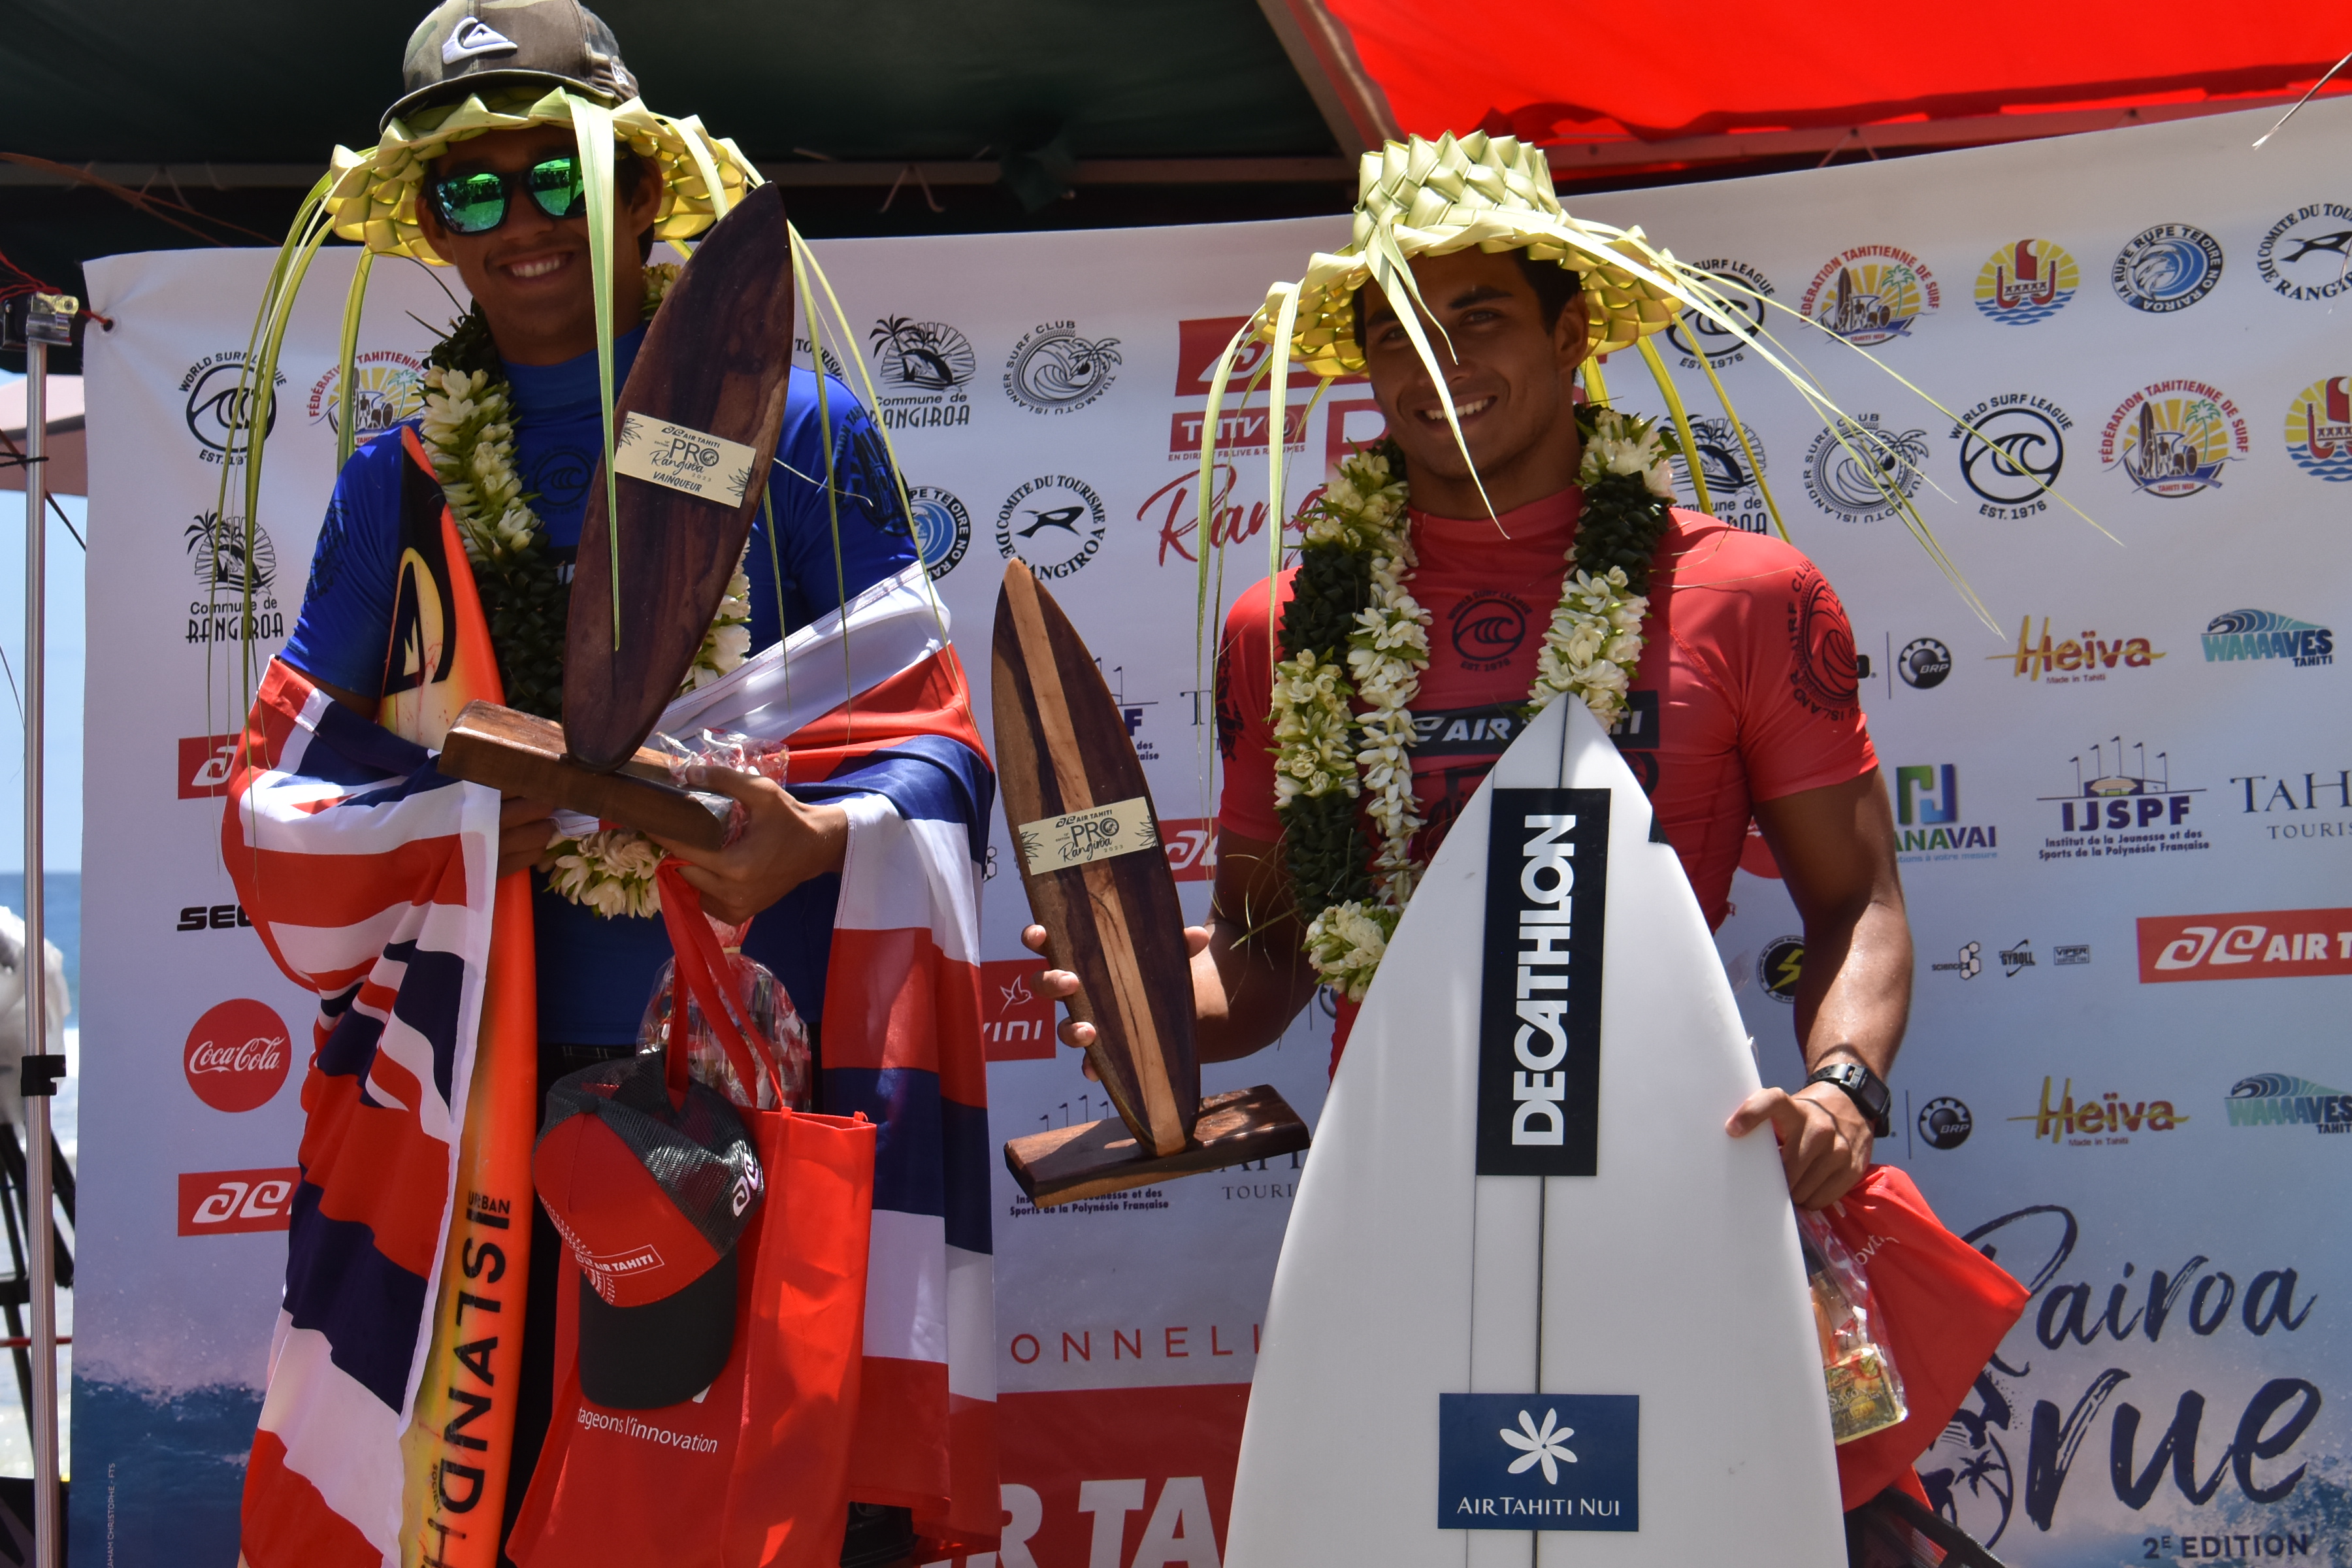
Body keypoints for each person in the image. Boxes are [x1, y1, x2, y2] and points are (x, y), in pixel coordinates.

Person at [224, 6, 994, 1566]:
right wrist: (455, 822)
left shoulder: (799, 432)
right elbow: (285, 791)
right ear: (433, 227)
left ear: (644, 196)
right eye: (475, 193)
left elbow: (942, 751)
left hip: (748, 1085)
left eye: (561, 184)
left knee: (749, 1515)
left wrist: (815, 838)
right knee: (484, 1519)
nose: (520, 227)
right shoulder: (400, 478)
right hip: (479, 1114)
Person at [1027, 132, 1911, 1213]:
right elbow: (1263, 973)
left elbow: (1856, 899)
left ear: (1570, 331)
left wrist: (1841, 1089)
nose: (1437, 365)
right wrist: (1138, 1003)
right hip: (1396, 1186)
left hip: (1680, 1165)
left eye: (1478, 317)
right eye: (1395, 334)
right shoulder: (1287, 627)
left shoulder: (1747, 592)